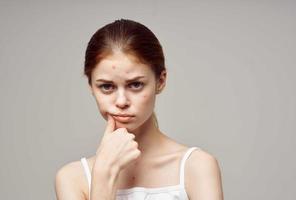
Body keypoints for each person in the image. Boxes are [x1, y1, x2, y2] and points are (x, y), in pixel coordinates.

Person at [55, 18, 224, 200]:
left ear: (160, 81)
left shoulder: (197, 167)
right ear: (91, 87)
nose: (121, 101)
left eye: (135, 84)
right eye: (106, 86)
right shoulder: (72, 178)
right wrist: (104, 174)